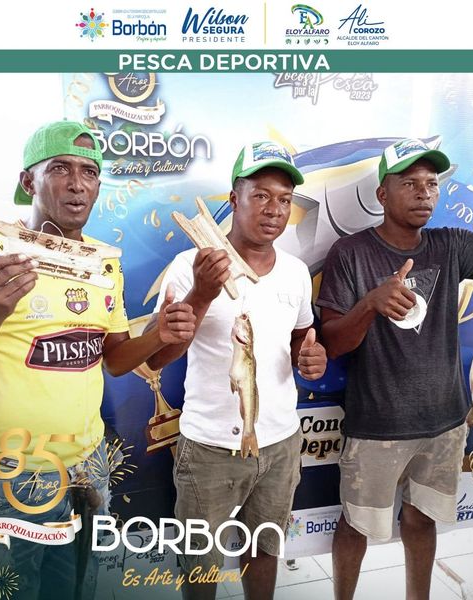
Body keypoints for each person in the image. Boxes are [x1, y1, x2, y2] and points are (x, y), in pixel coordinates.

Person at [0, 120, 196, 600]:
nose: (78, 183)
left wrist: (158, 332)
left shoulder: (104, 262)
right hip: (7, 471)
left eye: (89, 171)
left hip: (86, 469)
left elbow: (115, 360)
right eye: (60, 168)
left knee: (76, 591)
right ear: (28, 181)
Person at [316, 111, 473, 600]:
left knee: (421, 521)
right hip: (376, 425)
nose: (424, 192)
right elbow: (332, 343)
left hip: (444, 424)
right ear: (382, 194)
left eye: (431, 184)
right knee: (356, 526)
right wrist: (370, 304)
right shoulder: (351, 253)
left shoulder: (450, 244)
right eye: (410, 183)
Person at [146, 141, 327, 600]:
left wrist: (311, 357)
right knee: (200, 562)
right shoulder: (190, 266)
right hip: (209, 446)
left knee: (264, 550)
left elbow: (299, 339)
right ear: (233, 198)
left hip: (281, 442)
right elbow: (156, 358)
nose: (274, 210)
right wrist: (202, 293)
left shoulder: (296, 271)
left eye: (284, 199)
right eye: (261, 195)